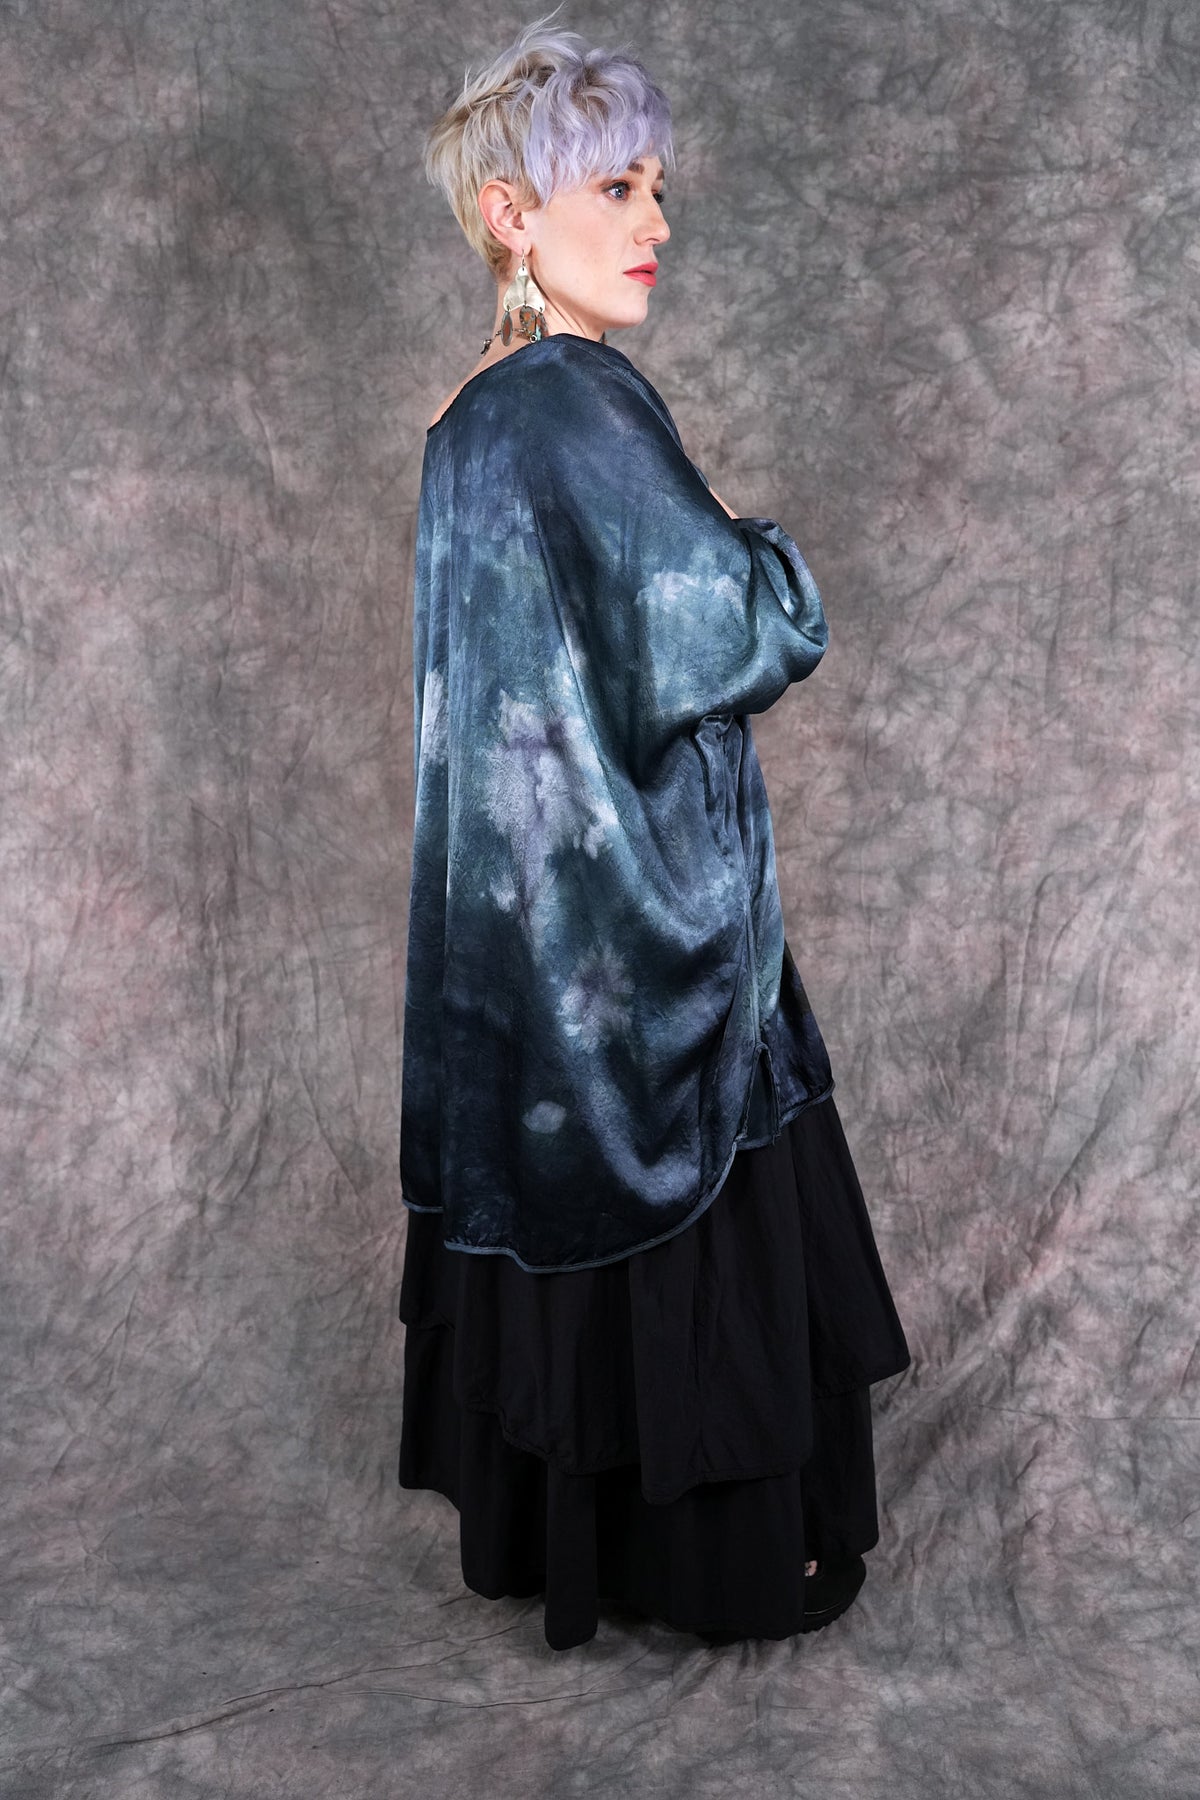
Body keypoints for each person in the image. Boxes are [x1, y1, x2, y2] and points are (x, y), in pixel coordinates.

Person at [397, 9, 911, 1651]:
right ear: (512, 216)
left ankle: (583, 1549)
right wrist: (763, 545)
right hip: (638, 922)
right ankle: (720, 1561)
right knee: (689, 1193)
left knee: (568, 1211)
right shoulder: (577, 399)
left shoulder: (469, 417)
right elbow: (741, 626)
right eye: (614, 187)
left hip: (522, 935)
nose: (656, 223)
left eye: (656, 188)